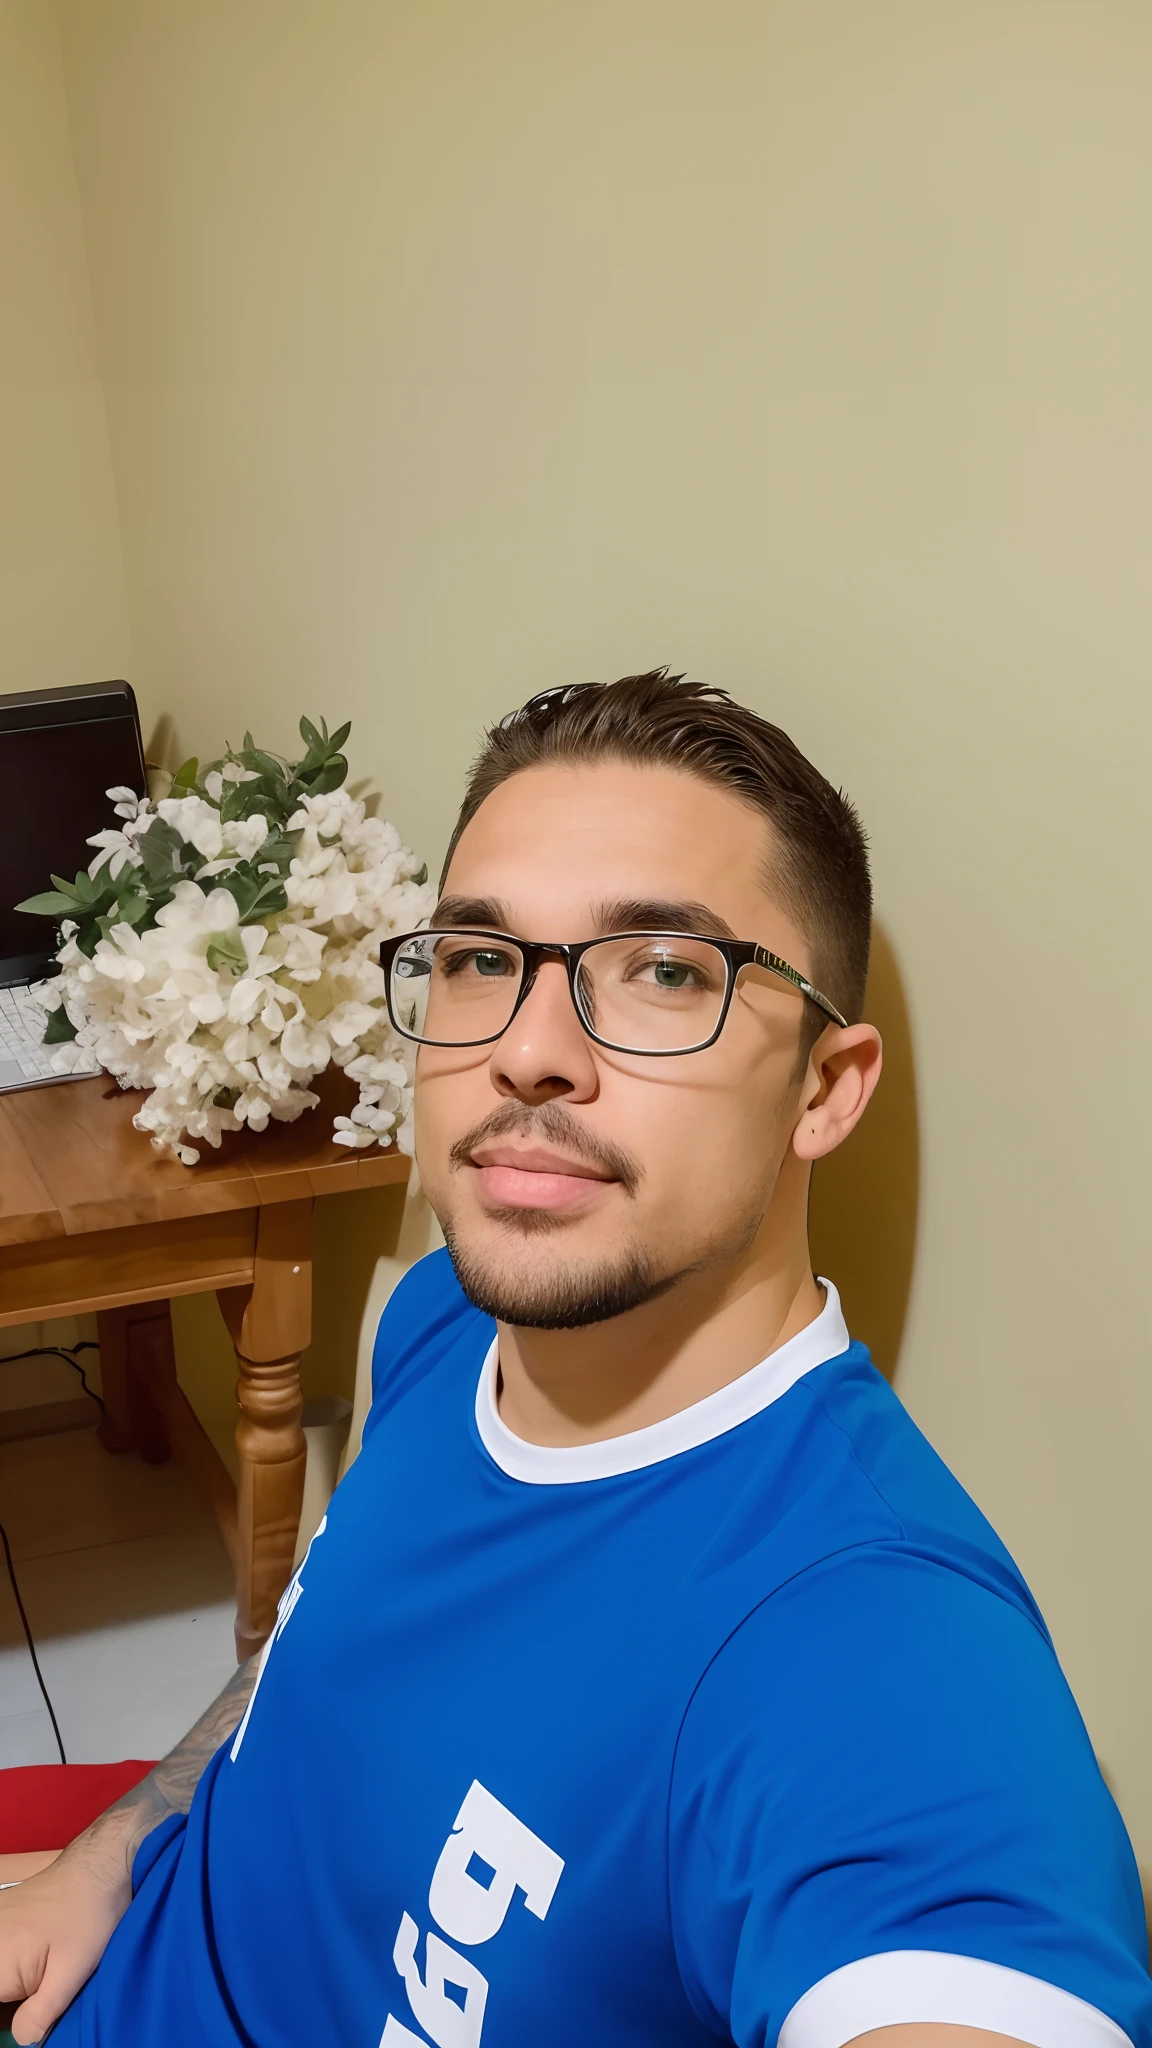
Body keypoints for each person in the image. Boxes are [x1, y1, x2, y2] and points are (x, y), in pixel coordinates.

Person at [1, 671, 1148, 2048]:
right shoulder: (439, 1321)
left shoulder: (866, 1648)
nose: (529, 1053)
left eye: (666, 970)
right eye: (483, 958)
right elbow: (303, 1662)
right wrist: (118, 1845)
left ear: (826, 1090)